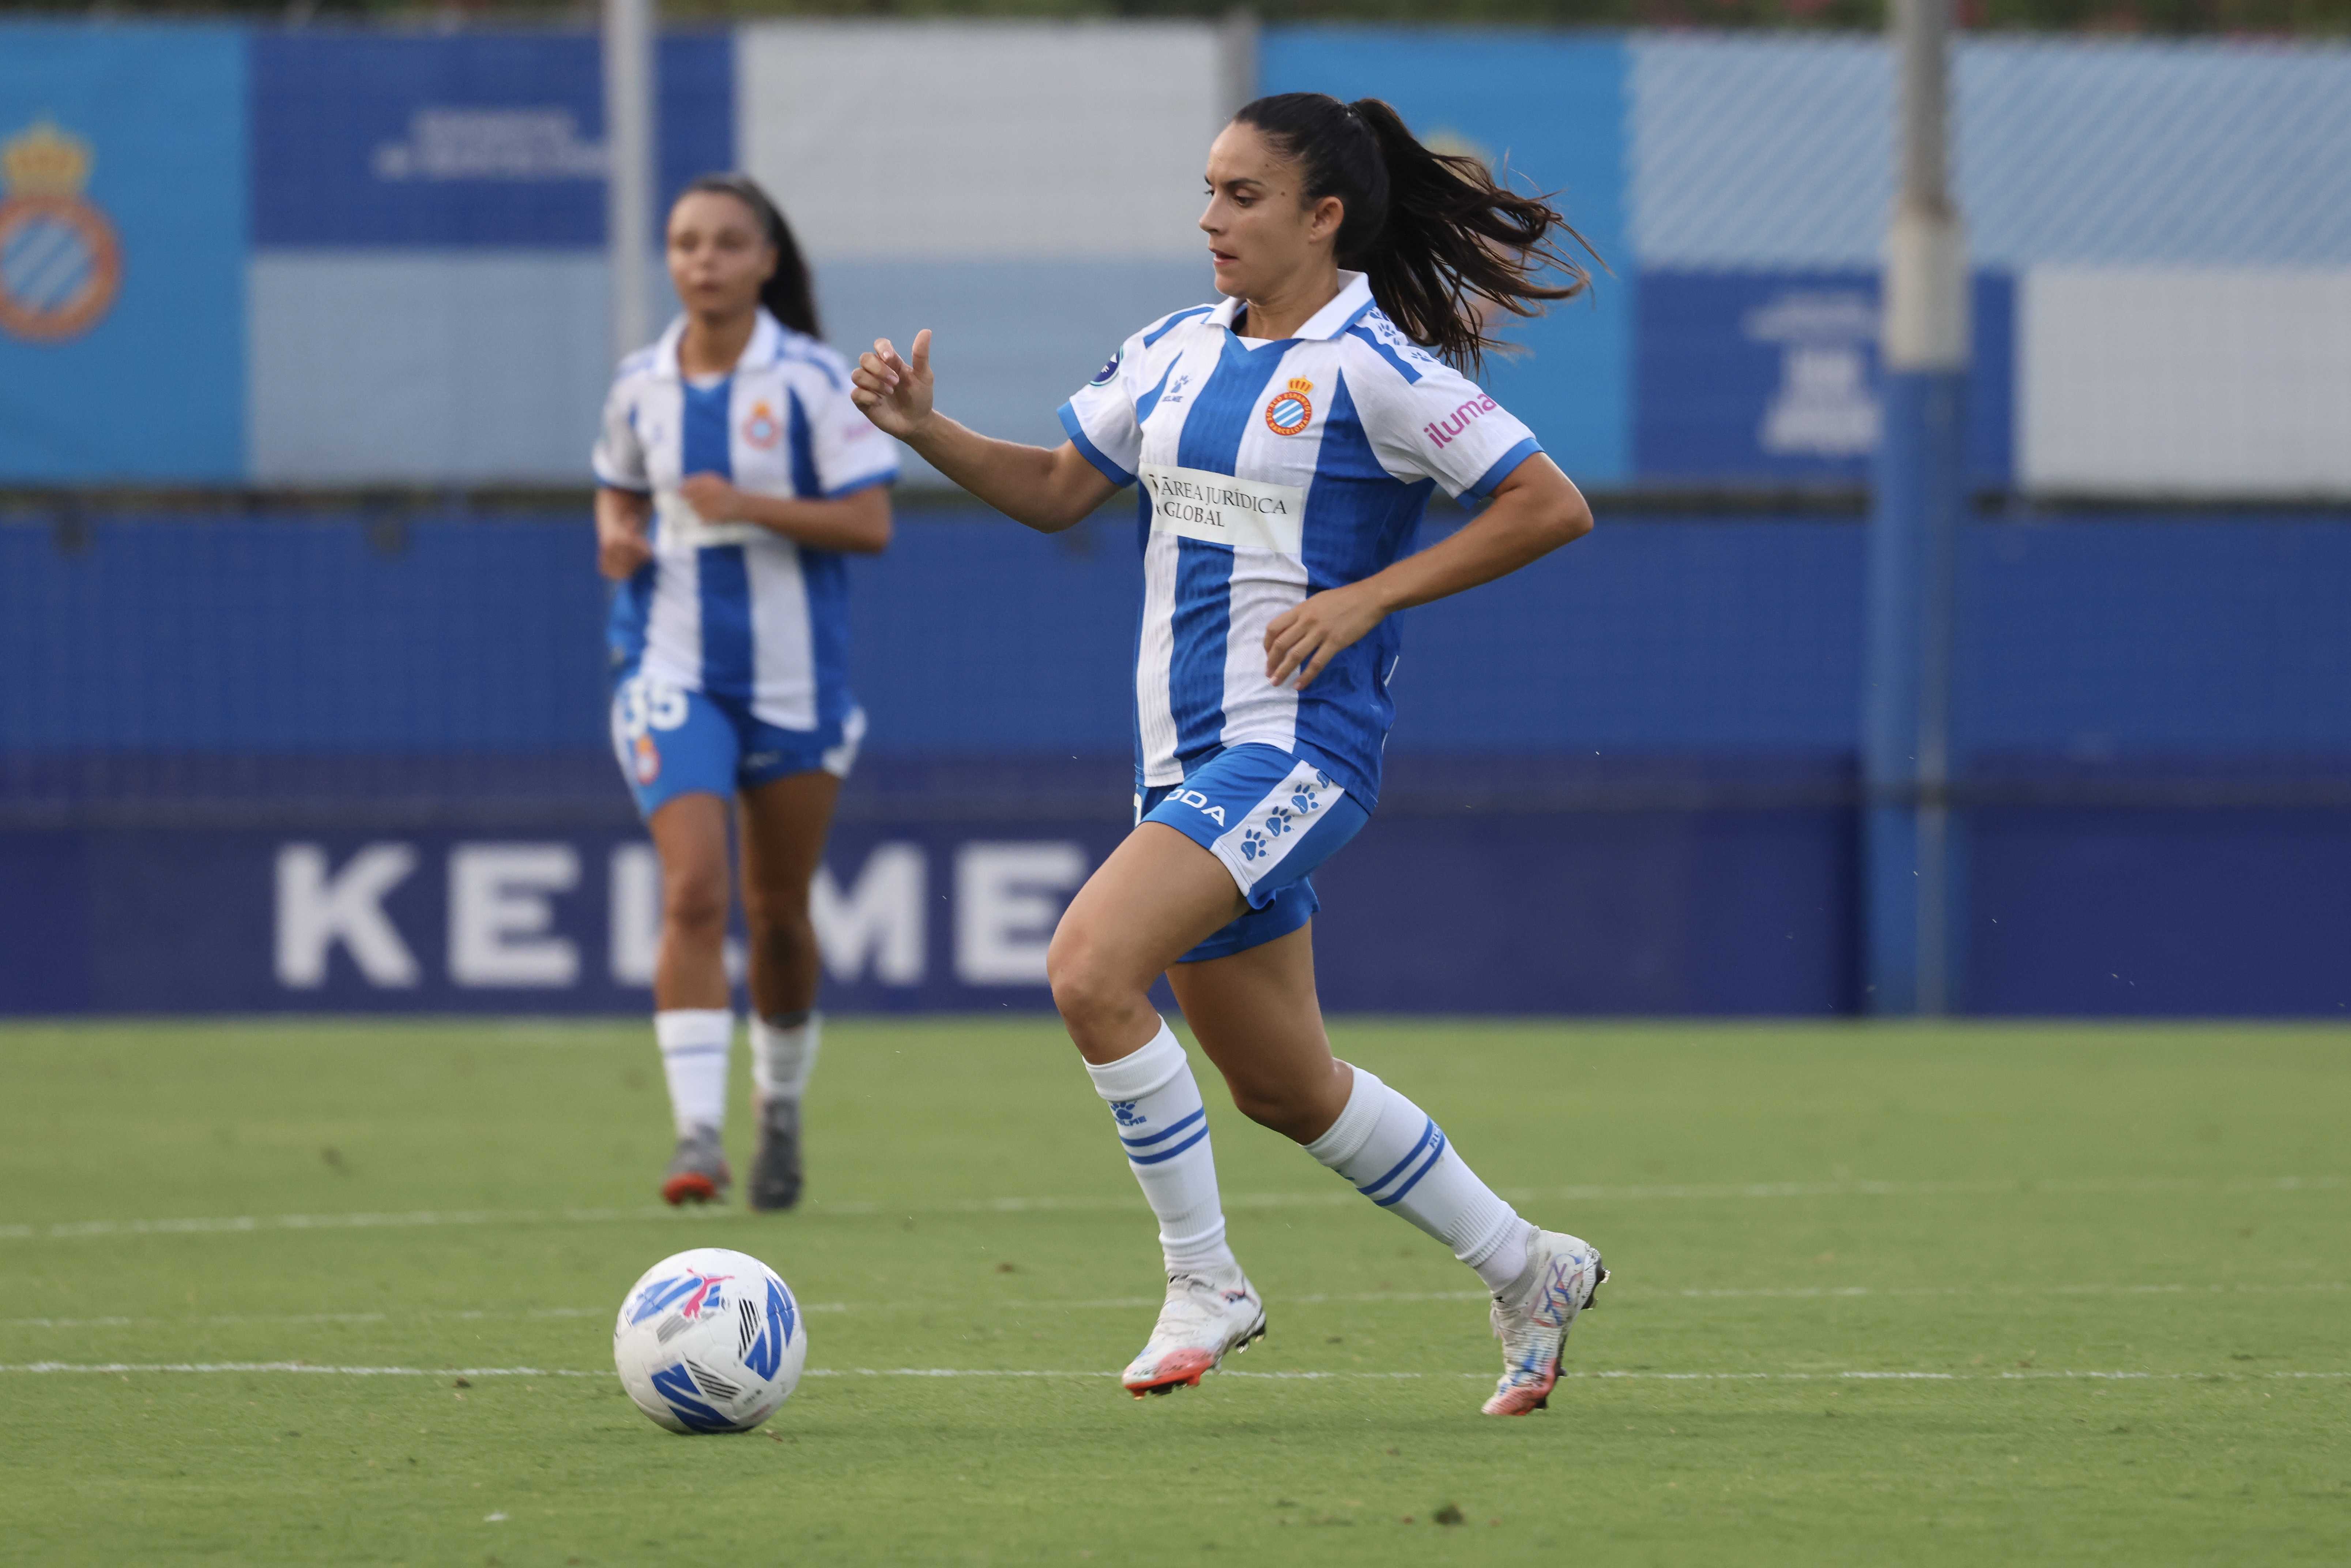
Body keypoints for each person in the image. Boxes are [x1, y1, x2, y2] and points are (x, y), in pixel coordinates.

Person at [850, 94, 1606, 1416]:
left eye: (1243, 195)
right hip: (1179, 764)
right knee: (1283, 1086)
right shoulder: (1174, 350)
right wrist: (926, 431)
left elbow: (1550, 504)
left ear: (1324, 217)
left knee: (1090, 969)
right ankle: (1525, 1266)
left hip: (1297, 753)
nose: (1211, 218)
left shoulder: (1378, 364)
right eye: (1208, 190)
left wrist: (1372, 596)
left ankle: (1206, 1280)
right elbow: (1054, 490)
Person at [592, 174, 896, 1210]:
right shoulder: (640, 384)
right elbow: (619, 486)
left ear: (767, 260)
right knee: (692, 893)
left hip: (793, 685)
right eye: (685, 244)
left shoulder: (809, 380)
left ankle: (779, 1109)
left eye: (726, 244)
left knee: (777, 918)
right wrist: (616, 535)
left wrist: (750, 505)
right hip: (671, 672)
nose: (703, 262)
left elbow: (870, 524)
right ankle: (695, 1135)